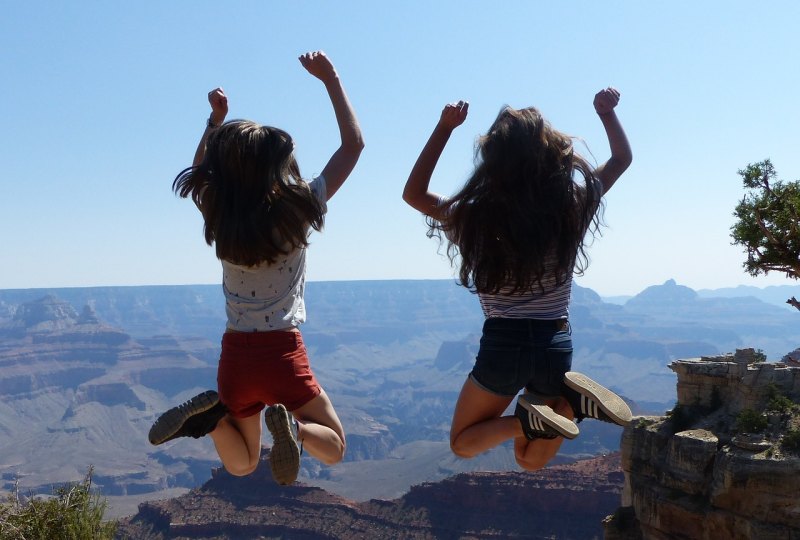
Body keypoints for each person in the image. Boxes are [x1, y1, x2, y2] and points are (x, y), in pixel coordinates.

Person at [148, 51, 364, 486]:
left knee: (243, 463)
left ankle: (212, 420)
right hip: (283, 353)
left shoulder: (219, 211)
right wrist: (331, 78)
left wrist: (214, 122)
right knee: (336, 446)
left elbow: (201, 170)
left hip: (237, 359)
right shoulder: (299, 208)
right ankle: (297, 432)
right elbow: (353, 145)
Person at [402, 89, 633, 470]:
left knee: (463, 444)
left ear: (493, 160)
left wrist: (444, 129)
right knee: (529, 458)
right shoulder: (570, 208)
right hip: (554, 343)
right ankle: (569, 407)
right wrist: (606, 114)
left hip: (504, 346)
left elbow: (414, 193)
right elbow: (621, 159)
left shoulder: (473, 217)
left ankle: (546, 414)